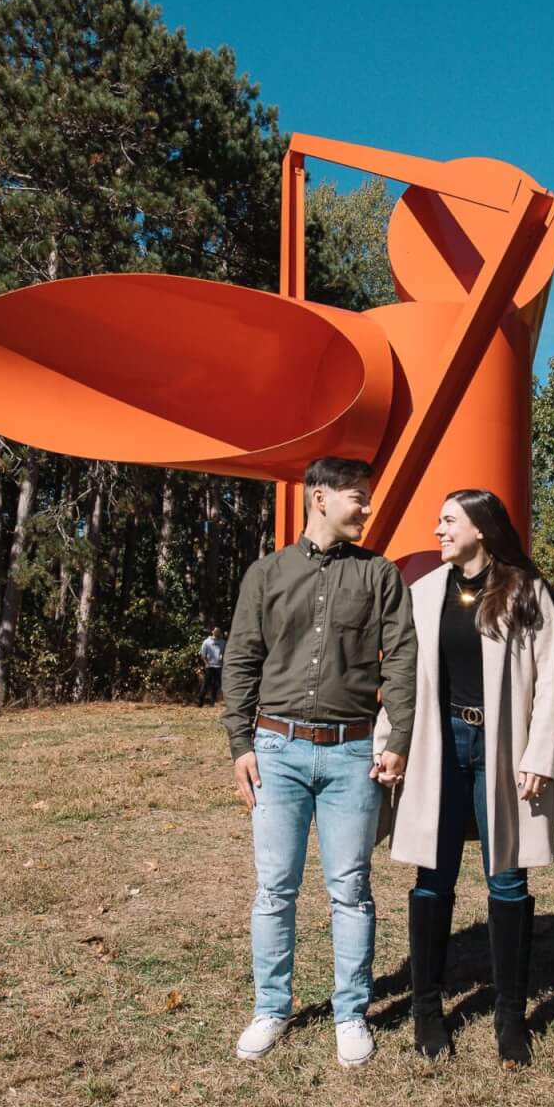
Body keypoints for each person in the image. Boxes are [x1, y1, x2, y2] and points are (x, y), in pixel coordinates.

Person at [220, 457, 416, 1068]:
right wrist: (240, 745)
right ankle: (271, 1008)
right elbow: (241, 660)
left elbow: (402, 661)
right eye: (358, 497)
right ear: (321, 498)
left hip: (354, 753)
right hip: (275, 750)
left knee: (351, 890)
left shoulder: (380, 575)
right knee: (274, 889)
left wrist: (397, 737)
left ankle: (350, 1013)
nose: (367, 508)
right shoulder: (267, 573)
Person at [383, 488, 554, 1067]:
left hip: (503, 748)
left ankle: (511, 1018)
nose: (437, 530)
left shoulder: (525, 591)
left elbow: (549, 679)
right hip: (437, 746)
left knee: (507, 882)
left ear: (481, 529)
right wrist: (390, 742)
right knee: (431, 879)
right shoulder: (423, 593)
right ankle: (426, 1012)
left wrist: (539, 754)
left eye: (448, 521)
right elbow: (400, 675)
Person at [197, 626, 227, 706]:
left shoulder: (223, 642)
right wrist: (206, 663)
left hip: (219, 666)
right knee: (206, 684)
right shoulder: (207, 642)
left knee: (217, 684)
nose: (217, 633)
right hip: (210, 666)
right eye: (216, 631)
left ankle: (212, 701)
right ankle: (200, 701)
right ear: (212, 631)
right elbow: (203, 654)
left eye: (219, 631)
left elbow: (225, 653)